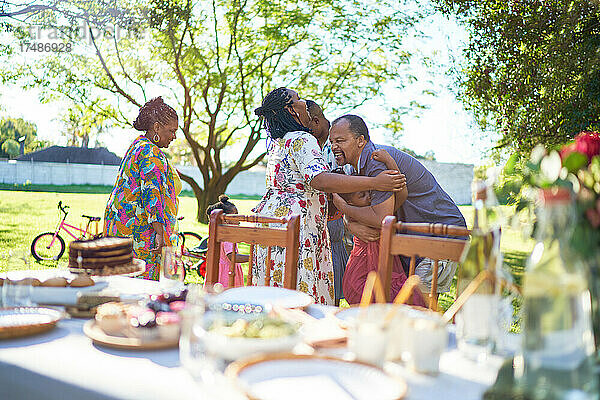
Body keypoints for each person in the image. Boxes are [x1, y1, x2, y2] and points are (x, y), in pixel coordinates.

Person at [252, 87, 406, 305]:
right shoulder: (301, 139)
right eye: (298, 100)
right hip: (299, 227)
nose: (305, 103)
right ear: (291, 111)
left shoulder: (278, 142)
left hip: (273, 224)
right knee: (299, 296)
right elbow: (319, 179)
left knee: (276, 292)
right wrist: (375, 182)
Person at [330, 114, 467, 295]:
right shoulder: (357, 167)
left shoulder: (375, 161)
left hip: (439, 236)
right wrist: (350, 223)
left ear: (360, 140)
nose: (334, 147)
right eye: (332, 141)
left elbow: (381, 218)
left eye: (340, 140)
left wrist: (344, 208)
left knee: (417, 309)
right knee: (407, 308)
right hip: (415, 241)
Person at [104, 97, 181, 280]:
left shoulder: (136, 146)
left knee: (121, 282)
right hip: (139, 232)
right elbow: (152, 196)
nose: (174, 136)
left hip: (120, 228)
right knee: (142, 288)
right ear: (156, 127)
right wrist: (161, 233)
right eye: (171, 131)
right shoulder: (151, 153)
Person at [337, 178, 425, 306]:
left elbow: (402, 194)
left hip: (384, 264)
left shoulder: (377, 211)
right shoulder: (359, 216)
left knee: (401, 297)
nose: (369, 198)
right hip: (362, 270)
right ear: (349, 202)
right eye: (362, 195)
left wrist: (389, 162)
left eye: (369, 193)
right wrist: (343, 207)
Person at [306, 99, 350, 306]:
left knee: (328, 295)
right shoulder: (316, 146)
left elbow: (338, 185)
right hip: (324, 225)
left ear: (315, 121)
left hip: (331, 225)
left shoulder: (331, 148)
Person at [205, 195, 249, 288]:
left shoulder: (219, 233)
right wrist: (252, 258)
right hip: (227, 274)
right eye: (235, 216)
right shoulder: (227, 236)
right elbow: (232, 257)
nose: (239, 219)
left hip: (220, 270)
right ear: (225, 220)